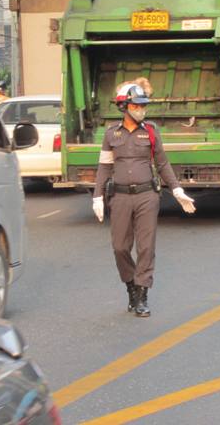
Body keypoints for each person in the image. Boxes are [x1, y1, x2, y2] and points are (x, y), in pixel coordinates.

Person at [92, 82, 196, 317]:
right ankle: (130, 284)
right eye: (137, 105)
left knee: (146, 247)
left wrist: (177, 190)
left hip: (147, 196)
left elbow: (162, 163)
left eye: (143, 105)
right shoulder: (111, 134)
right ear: (124, 106)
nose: (141, 109)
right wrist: (97, 196)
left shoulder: (150, 131)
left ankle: (142, 294)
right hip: (119, 197)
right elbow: (104, 166)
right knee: (120, 247)